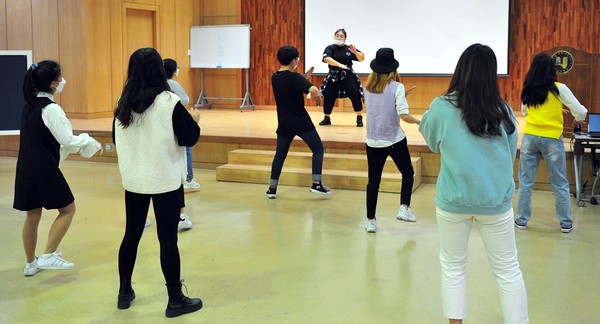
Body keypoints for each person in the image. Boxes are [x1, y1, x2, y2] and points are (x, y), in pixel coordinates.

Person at [419, 44, 529, 324]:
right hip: (495, 202)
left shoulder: (441, 107)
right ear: (492, 74)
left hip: (453, 200)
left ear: (461, 70)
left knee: (453, 267)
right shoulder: (503, 110)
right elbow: (509, 151)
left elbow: (432, 143)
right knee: (508, 270)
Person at [113, 48, 202, 318]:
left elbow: (118, 140)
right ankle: (175, 299)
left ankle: (124, 292)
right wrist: (195, 119)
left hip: (134, 180)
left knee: (131, 235)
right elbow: (189, 137)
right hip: (164, 179)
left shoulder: (122, 101)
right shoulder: (169, 101)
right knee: (167, 239)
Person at [14, 60, 102, 277]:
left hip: (25, 167)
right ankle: (48, 254)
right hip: (44, 169)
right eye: (60, 78)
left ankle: (30, 263)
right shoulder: (52, 109)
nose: (63, 81)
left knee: (32, 215)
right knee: (68, 209)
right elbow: (67, 140)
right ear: (53, 84)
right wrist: (89, 142)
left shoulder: (29, 105)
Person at [515, 53, 587, 233]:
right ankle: (565, 223)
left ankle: (521, 221)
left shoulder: (528, 88)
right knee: (559, 183)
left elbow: (524, 112)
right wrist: (576, 117)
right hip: (552, 139)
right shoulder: (559, 88)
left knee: (526, 182)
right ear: (551, 70)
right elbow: (580, 111)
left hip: (530, 138)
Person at [363, 48, 420, 233]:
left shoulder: (367, 87)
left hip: (372, 141)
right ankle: (404, 208)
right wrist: (420, 120)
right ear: (392, 69)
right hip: (394, 140)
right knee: (407, 172)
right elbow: (403, 115)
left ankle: (370, 221)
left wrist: (401, 98)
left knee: (373, 181)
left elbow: (378, 105)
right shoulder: (397, 87)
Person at [266, 46, 331, 199]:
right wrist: (318, 96)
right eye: (297, 59)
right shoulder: (295, 78)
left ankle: (272, 188)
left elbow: (290, 84)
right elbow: (314, 90)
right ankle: (316, 183)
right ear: (294, 60)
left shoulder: (275, 77)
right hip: (301, 122)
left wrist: (304, 78)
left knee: (280, 155)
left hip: (284, 123)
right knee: (318, 149)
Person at [319, 28, 365, 127]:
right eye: (337, 35)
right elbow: (326, 58)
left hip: (347, 74)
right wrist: (339, 65)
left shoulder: (349, 48)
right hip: (334, 74)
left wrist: (355, 53)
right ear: (334, 36)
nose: (339, 37)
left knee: (355, 94)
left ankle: (359, 117)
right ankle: (327, 118)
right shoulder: (330, 48)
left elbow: (362, 58)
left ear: (345, 38)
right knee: (328, 95)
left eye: (341, 36)